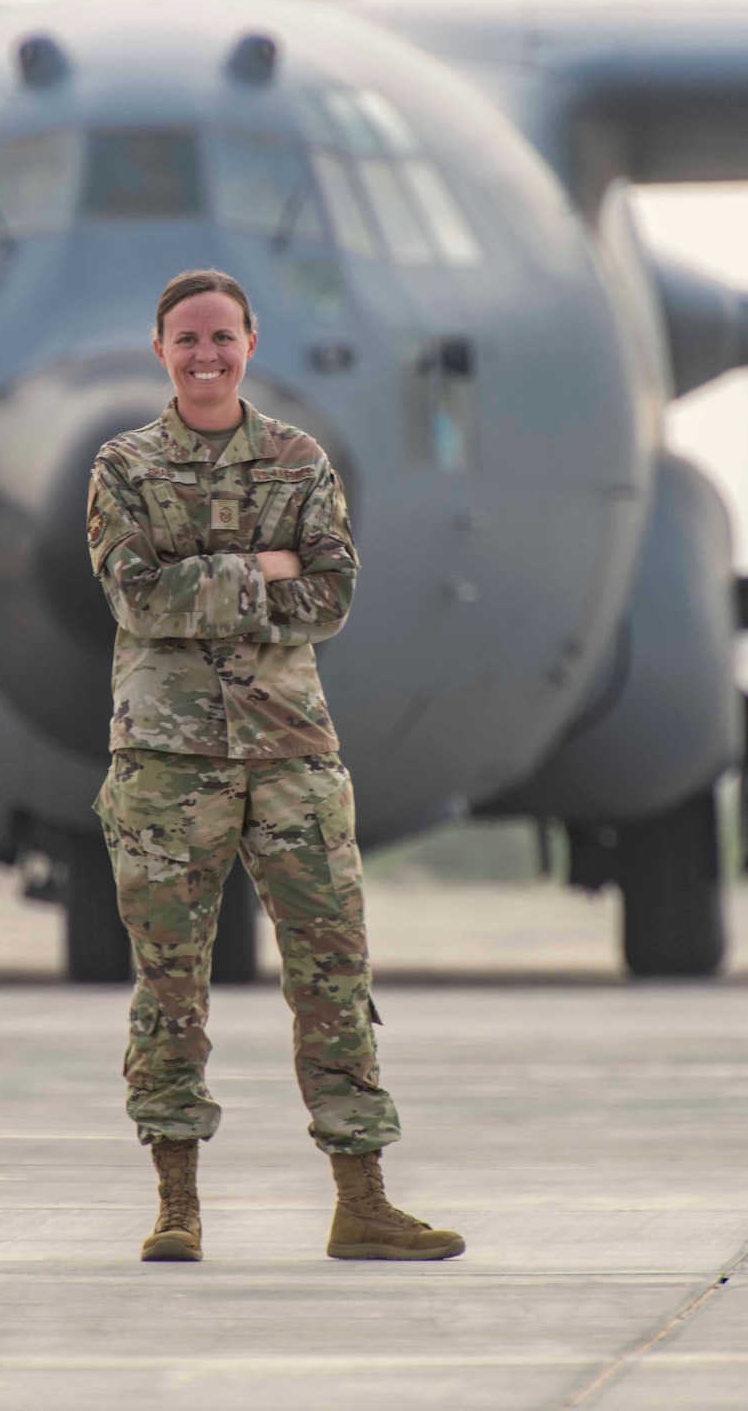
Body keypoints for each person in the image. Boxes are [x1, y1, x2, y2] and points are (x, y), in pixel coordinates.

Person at [85, 268, 464, 1264]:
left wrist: (205, 579)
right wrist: (261, 568)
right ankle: (175, 1204)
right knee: (171, 984)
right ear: (158, 349)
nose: (204, 355)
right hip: (166, 762)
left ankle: (362, 1200)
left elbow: (331, 596)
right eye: (185, 339)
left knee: (332, 974)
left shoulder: (300, 461)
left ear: (249, 343)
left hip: (290, 755)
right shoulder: (121, 466)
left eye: (220, 336)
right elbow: (136, 599)